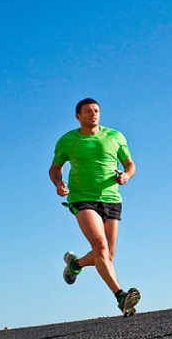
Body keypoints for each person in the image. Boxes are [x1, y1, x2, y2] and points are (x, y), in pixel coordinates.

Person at [49, 98, 140, 317]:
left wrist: (126, 176)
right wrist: (58, 183)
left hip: (111, 197)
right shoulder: (68, 140)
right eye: (88, 111)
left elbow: (130, 164)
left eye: (97, 111)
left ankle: (75, 264)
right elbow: (55, 168)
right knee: (100, 245)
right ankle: (120, 296)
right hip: (82, 198)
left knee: (107, 255)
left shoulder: (115, 136)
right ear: (78, 116)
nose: (94, 114)